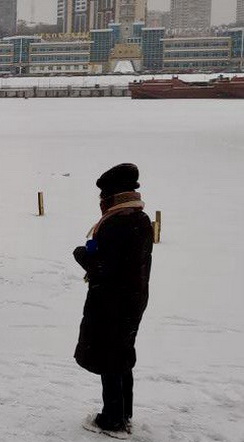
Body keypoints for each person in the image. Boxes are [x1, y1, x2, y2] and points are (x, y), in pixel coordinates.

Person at [74, 163, 152, 438]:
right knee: (121, 355)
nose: (100, 202)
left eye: (102, 196)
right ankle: (123, 413)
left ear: (111, 195)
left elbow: (104, 268)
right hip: (133, 299)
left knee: (110, 357)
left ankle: (112, 419)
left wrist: (82, 255)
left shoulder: (117, 222)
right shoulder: (140, 218)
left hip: (112, 301)